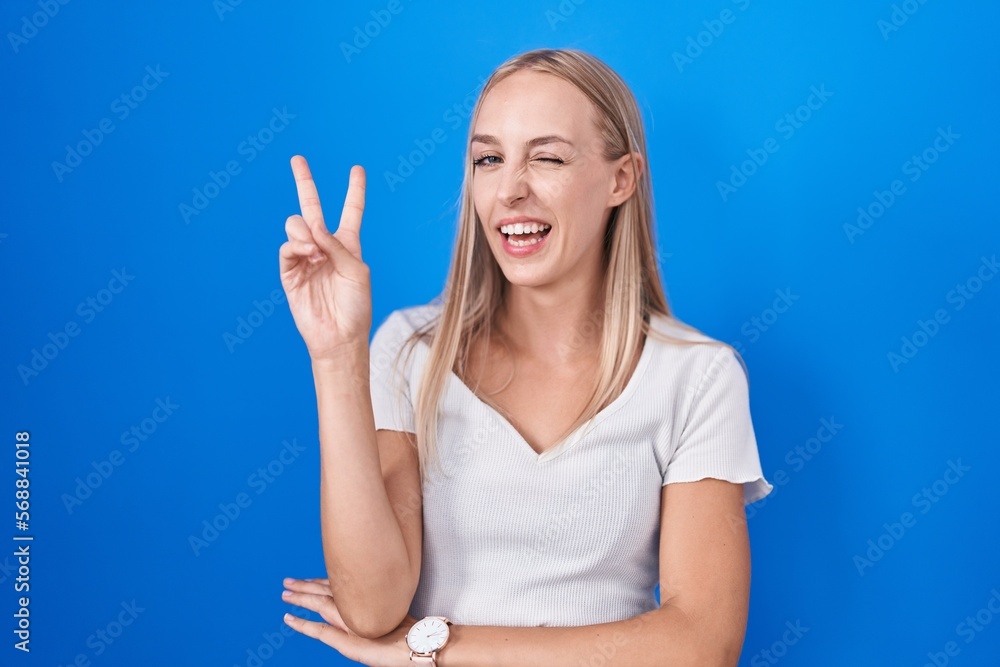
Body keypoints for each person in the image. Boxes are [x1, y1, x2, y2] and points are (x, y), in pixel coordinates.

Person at [278, 47, 772, 666]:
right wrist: (335, 354)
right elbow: (373, 607)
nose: (510, 190)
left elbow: (702, 646)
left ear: (621, 179)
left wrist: (432, 648)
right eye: (489, 159)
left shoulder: (698, 376)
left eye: (548, 158)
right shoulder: (409, 351)